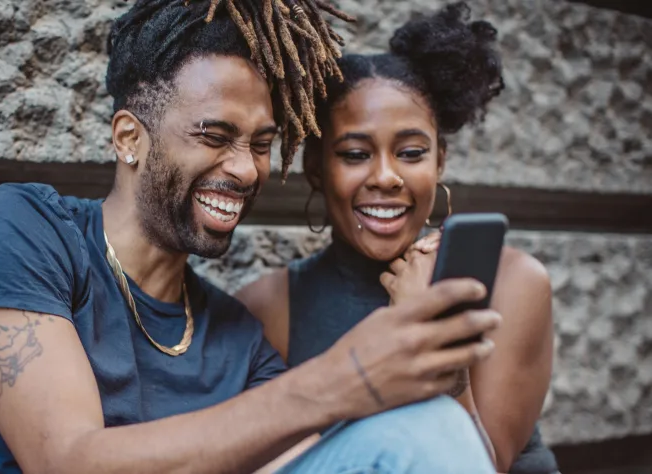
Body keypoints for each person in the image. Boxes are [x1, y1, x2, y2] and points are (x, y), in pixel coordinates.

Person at [0, 1, 501, 472]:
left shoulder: (239, 342)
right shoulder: (21, 231)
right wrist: (345, 378)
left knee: (426, 431)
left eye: (261, 144)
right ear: (129, 138)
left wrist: (439, 358)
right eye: (215, 136)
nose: (245, 169)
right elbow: (65, 461)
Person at [237, 3, 558, 473]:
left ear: (439, 161)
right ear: (315, 169)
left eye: (410, 152)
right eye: (354, 154)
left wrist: (434, 333)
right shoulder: (272, 308)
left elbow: (478, 465)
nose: (385, 177)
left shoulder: (511, 283)